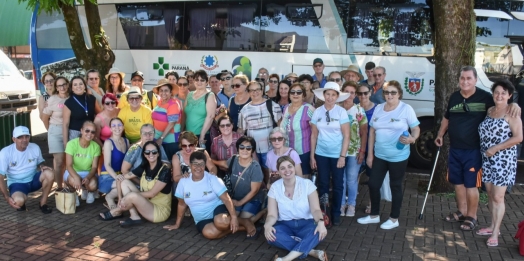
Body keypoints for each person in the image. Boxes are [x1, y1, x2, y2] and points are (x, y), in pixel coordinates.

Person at [435, 66, 519, 231]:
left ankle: (472, 216)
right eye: (462, 78)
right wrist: (440, 134)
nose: (465, 81)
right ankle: (462, 211)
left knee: (471, 184)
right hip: (455, 149)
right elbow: (447, 118)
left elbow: (502, 103)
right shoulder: (454, 97)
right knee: (458, 183)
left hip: (473, 151)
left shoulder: (485, 97)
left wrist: (515, 104)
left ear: (475, 80)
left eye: (469, 78)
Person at [357, 80, 420, 230]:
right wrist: (370, 154)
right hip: (379, 155)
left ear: (399, 94)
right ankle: (374, 215)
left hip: (398, 156)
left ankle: (394, 218)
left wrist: (412, 138)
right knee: (373, 184)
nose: (390, 95)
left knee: (395, 185)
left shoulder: (406, 109)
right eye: (387, 92)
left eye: (393, 92)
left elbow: (416, 128)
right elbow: (372, 131)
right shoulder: (378, 108)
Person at [165, 151, 254, 239]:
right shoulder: (183, 181)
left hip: (217, 210)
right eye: (195, 164)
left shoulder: (212, 178)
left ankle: (243, 221)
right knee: (209, 233)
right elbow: (181, 204)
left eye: (201, 164)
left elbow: (226, 199)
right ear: (190, 165)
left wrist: (234, 217)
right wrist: (177, 224)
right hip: (201, 219)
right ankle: (240, 227)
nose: (198, 167)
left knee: (221, 222)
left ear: (205, 166)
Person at [477, 80, 522, 247]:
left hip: (503, 161)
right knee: (489, 194)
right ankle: (491, 225)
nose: (500, 95)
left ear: (510, 95)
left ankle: (496, 232)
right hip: (487, 159)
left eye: (504, 93)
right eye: (497, 92)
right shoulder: (490, 110)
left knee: (498, 196)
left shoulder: (512, 113)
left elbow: (518, 138)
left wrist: (496, 148)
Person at [264, 156, 328, 261]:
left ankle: (286, 259)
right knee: (271, 235)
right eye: (282, 168)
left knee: (319, 232)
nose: (287, 170)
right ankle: (311, 251)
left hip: (306, 223)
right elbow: (272, 214)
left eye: (290, 166)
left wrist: (321, 222)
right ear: (279, 172)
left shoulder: (307, 184)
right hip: (285, 224)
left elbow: (315, 209)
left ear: (294, 168)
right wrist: (267, 225)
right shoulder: (275, 187)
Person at [99, 141, 172, 226]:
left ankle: (116, 211)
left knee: (132, 195)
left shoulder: (165, 170)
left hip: (159, 212)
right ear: (144, 154)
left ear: (158, 153)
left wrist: (129, 197)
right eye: (147, 152)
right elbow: (120, 179)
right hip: (146, 203)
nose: (151, 154)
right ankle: (134, 216)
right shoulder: (144, 166)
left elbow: (152, 194)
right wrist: (120, 198)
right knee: (124, 182)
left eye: (154, 151)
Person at [310, 82, 350, 226]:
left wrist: (342, 156)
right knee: (323, 183)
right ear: (324, 95)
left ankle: (336, 213)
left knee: (338, 184)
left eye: (333, 95)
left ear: (337, 97)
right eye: (328, 94)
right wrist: (312, 156)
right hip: (321, 154)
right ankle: (324, 212)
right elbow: (314, 135)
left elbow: (346, 135)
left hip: (337, 155)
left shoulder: (341, 112)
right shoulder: (317, 112)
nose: (330, 97)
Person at [0, 126, 54, 214]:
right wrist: (6, 197)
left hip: (33, 180)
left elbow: (40, 162)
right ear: (14, 139)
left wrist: (42, 165)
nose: (24, 139)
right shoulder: (5, 152)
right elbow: (1, 177)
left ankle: (43, 203)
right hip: (17, 183)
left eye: (26, 136)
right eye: (20, 137)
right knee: (18, 201)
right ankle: (22, 200)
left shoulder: (35, 147)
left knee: (50, 173)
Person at [238, 81, 282, 174]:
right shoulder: (244, 110)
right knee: (256, 171)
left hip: (271, 147)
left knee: (271, 172)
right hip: (252, 149)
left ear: (262, 91)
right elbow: (241, 130)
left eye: (257, 89)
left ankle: (269, 187)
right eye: (252, 90)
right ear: (248, 92)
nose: (255, 92)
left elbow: (280, 126)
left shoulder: (273, 105)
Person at [339, 81, 368, 217]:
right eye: (347, 92)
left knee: (351, 178)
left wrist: (362, 151)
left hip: (353, 151)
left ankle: (351, 204)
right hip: (337, 151)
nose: (349, 95)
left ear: (355, 94)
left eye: (352, 92)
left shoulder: (358, 110)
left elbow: (364, 132)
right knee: (341, 179)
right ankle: (341, 204)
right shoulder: (337, 108)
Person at [226, 136, 265, 234]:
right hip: (236, 197)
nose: (245, 150)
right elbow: (224, 164)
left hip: (252, 199)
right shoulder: (233, 159)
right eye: (242, 147)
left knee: (242, 219)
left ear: (252, 150)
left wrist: (240, 203)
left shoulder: (255, 167)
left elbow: (254, 191)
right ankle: (249, 221)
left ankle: (264, 212)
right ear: (238, 148)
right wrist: (209, 160)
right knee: (233, 220)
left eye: (248, 148)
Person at [280, 83, 315, 179]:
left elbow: (315, 133)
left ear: (303, 95)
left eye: (299, 92)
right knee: (289, 177)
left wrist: (312, 155)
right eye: (293, 92)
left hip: (303, 151)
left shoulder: (309, 109)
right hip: (287, 151)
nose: (295, 94)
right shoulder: (286, 107)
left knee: (303, 178)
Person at [41, 76, 69, 191]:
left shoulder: (72, 98)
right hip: (55, 130)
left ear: (68, 85)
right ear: (56, 87)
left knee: (68, 161)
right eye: (59, 85)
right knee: (59, 161)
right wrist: (50, 131)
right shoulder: (52, 100)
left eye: (64, 84)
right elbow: (44, 118)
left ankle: (69, 186)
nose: (62, 87)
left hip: (69, 130)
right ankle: (60, 187)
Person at [64, 121, 101, 205]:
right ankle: (74, 194)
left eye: (92, 132)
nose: (89, 134)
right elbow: (69, 165)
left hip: (87, 172)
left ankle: (89, 191)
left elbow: (94, 167)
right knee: (73, 181)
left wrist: (88, 177)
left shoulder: (96, 147)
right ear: (81, 131)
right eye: (87, 131)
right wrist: (76, 177)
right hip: (73, 171)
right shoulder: (71, 144)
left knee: (93, 185)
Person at [99, 117, 129, 209]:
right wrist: (116, 177)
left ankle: (112, 197)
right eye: (114, 126)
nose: (117, 127)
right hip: (107, 177)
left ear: (123, 127)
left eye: (119, 125)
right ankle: (109, 197)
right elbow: (107, 165)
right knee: (126, 185)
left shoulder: (126, 141)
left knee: (132, 184)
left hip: (120, 176)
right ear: (110, 129)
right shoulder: (108, 142)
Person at [63, 76, 101, 146]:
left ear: (84, 86)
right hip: (75, 134)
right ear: (72, 88)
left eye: (81, 84)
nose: (78, 86)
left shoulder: (91, 98)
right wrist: (65, 143)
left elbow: (100, 114)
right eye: (75, 84)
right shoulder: (68, 102)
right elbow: (65, 124)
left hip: (90, 133)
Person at [357, 83, 377, 214]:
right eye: (360, 93)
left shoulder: (377, 109)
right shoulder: (355, 108)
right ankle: (351, 200)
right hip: (356, 146)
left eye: (365, 93)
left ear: (370, 93)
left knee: (372, 177)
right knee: (354, 176)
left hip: (372, 147)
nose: (363, 96)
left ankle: (372, 203)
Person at [184, 69, 217, 151]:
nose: (199, 82)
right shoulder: (189, 94)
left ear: (206, 82)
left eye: (202, 80)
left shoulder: (210, 95)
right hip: (188, 136)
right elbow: (184, 115)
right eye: (197, 80)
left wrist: (202, 136)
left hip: (202, 136)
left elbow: (210, 116)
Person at [152, 78, 182, 160]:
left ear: (170, 92)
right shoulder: (159, 103)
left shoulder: (173, 104)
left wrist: (161, 138)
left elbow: (172, 123)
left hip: (170, 142)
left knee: (169, 166)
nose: (163, 93)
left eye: (166, 90)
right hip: (159, 140)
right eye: (161, 90)